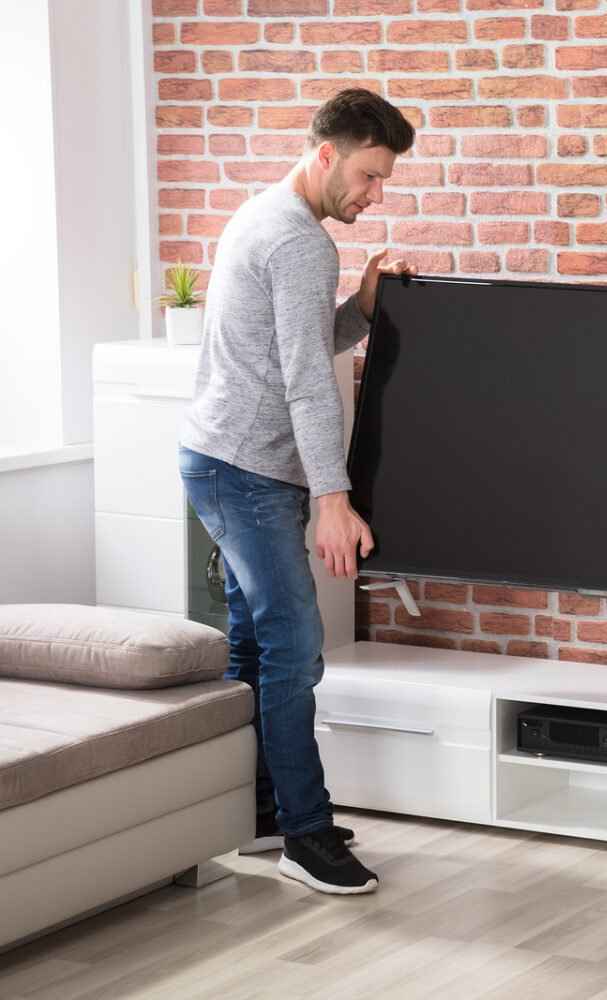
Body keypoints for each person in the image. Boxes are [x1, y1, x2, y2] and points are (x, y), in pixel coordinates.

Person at [179, 88, 415, 895]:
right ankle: (304, 836)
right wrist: (333, 497)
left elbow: (297, 348)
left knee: (253, 642)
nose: (375, 194)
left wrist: (363, 309)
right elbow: (311, 385)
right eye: (370, 175)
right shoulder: (301, 242)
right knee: (294, 648)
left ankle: (257, 811)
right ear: (327, 154)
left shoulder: (267, 217)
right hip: (248, 469)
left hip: (221, 457)